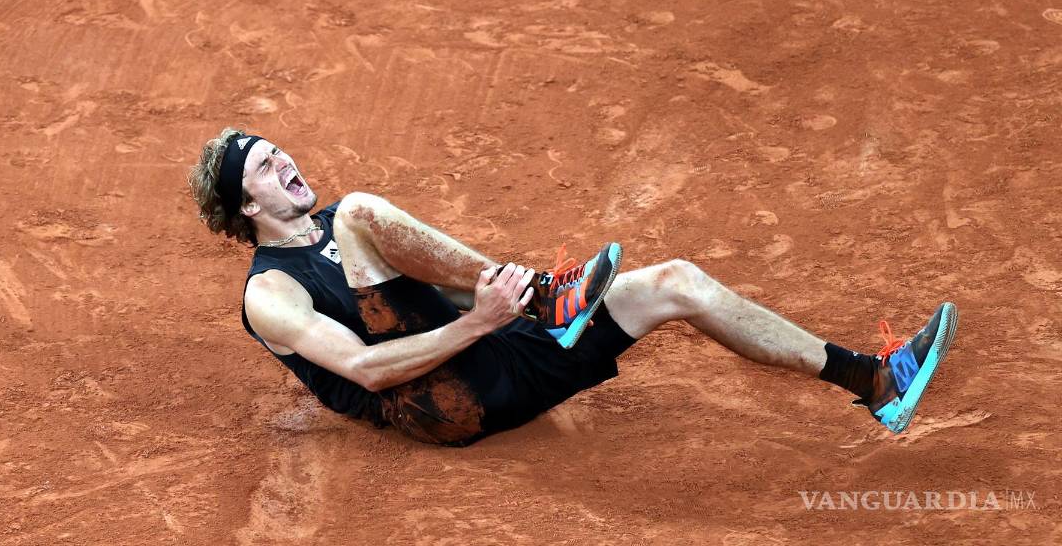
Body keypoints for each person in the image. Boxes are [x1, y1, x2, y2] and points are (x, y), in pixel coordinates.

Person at [188, 128, 958, 446]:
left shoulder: (345, 234)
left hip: (495, 353)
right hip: (438, 403)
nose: (284, 161)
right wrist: (483, 318)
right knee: (358, 210)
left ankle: (874, 379)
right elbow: (362, 369)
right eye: (263, 166)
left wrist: (486, 315)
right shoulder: (270, 292)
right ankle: (539, 298)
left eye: (278, 149)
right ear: (247, 206)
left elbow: (444, 298)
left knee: (675, 282)